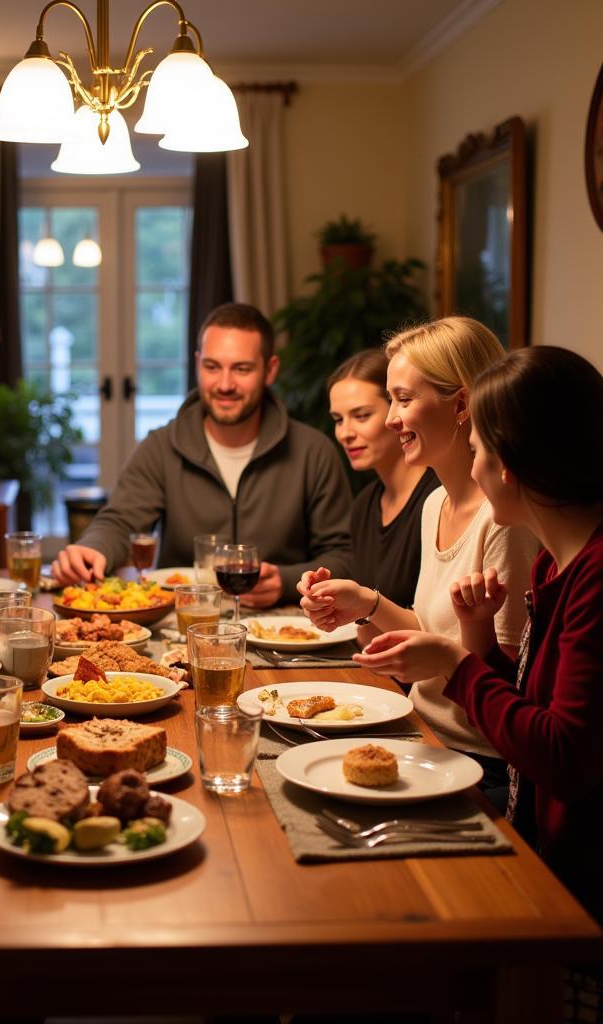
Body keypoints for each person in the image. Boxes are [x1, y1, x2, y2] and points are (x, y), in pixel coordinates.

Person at [353, 347, 603, 1014]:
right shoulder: (559, 565)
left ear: (508, 467)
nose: (474, 462)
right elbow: (531, 709)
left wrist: (460, 667)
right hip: (535, 836)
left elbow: (565, 757)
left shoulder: (594, 579)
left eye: (482, 447)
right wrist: (476, 643)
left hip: (573, 894)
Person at [298, 317, 539, 804]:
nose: (391, 419)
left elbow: (500, 692)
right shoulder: (437, 504)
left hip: (478, 763)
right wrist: (364, 603)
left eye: (403, 400)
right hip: (421, 735)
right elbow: (434, 634)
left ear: (462, 403)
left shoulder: (505, 519)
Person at [52, 302, 353, 608]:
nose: (224, 384)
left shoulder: (313, 452)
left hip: (286, 629)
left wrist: (286, 582)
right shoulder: (161, 446)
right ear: (197, 364)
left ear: (270, 369)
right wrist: (92, 549)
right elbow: (120, 521)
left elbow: (345, 556)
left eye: (242, 368)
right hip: (184, 625)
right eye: (212, 367)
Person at [327, 348, 439, 609]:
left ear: (396, 411)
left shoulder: (438, 496)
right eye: (337, 419)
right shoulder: (365, 504)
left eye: (361, 416)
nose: (345, 433)